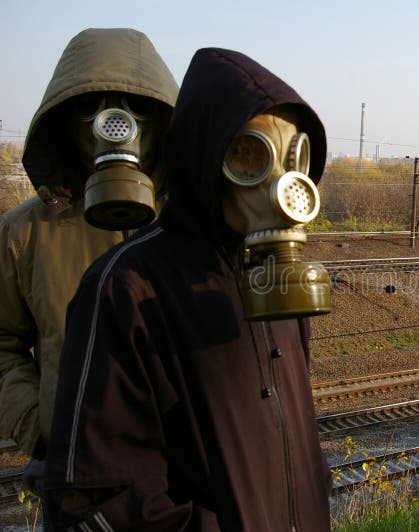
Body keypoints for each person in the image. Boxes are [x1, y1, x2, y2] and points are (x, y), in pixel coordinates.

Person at [44, 48, 332, 531]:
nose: (280, 184)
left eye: (290, 158)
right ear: (204, 155)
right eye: (250, 155)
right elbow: (97, 497)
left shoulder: (277, 285)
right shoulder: (125, 288)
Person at [0, 28, 178, 463]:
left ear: (164, 118)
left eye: (135, 106)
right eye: (90, 108)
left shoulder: (203, 222)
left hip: (187, 481)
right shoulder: (27, 233)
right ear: (64, 122)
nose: (116, 123)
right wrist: (44, 427)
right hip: (75, 480)